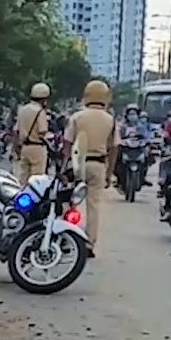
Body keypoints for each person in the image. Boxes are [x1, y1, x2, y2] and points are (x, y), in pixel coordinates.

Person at [62, 80, 119, 259]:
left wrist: (64, 167)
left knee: (69, 202)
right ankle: (89, 243)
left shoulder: (77, 117)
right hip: (99, 165)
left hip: (77, 163)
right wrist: (110, 173)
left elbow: (67, 144)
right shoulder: (110, 120)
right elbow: (114, 148)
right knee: (93, 206)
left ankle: (65, 237)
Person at [14, 82, 51, 183]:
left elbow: (16, 131)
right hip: (37, 148)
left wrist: (16, 147)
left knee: (23, 179)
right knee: (37, 180)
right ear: (44, 99)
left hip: (25, 148)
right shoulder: (40, 112)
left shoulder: (23, 110)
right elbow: (42, 132)